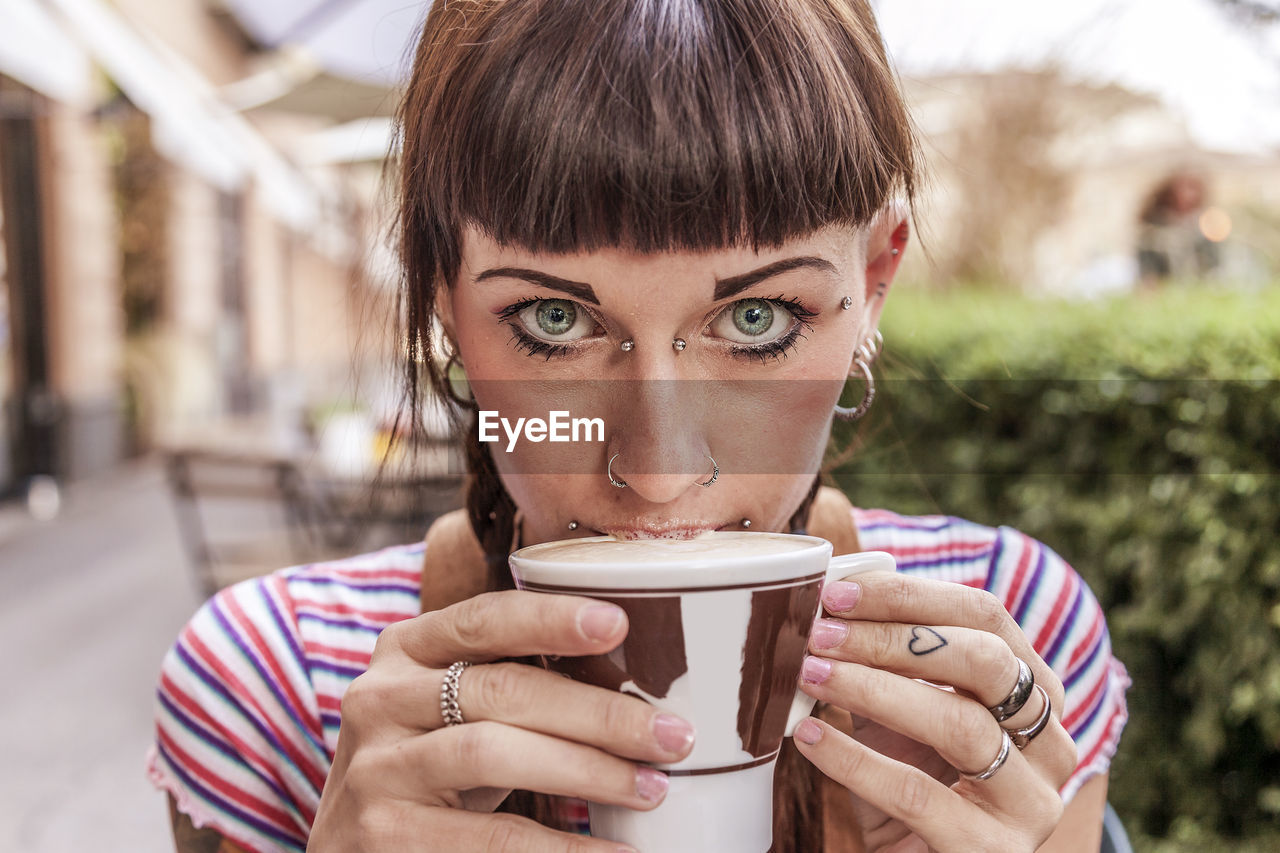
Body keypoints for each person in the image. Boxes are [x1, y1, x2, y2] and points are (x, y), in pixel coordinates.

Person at [147, 1, 1129, 851]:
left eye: (756, 320)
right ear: (442, 298)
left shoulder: (1007, 642)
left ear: (872, 285)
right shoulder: (273, 685)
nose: (657, 472)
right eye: (554, 321)